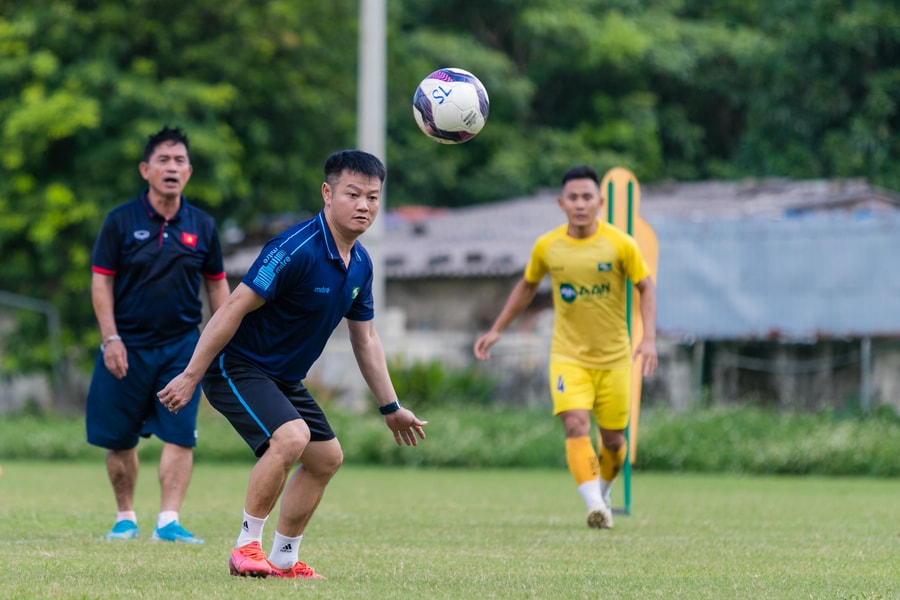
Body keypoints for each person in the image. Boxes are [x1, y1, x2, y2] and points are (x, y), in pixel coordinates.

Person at [157, 149, 428, 579]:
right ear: (327, 193)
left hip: (282, 377)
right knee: (292, 437)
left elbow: (367, 340)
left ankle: (284, 558)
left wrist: (391, 407)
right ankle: (246, 548)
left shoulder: (360, 264)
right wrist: (191, 374)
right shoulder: (293, 248)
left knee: (326, 458)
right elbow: (230, 309)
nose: (364, 206)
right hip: (236, 365)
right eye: (353, 194)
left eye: (373, 198)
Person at [473, 164, 658, 530]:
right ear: (561, 203)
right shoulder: (548, 246)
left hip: (616, 358)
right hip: (567, 356)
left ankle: (601, 495)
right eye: (572, 197)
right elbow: (527, 287)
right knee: (575, 424)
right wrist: (497, 329)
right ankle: (594, 505)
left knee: (614, 443)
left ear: (599, 202)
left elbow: (646, 287)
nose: (580, 203)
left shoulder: (621, 244)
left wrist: (648, 338)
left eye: (587, 197)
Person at [86, 126, 231, 544]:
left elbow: (217, 285)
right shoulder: (120, 221)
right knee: (119, 439)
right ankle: (125, 517)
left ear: (189, 171)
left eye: (180, 161)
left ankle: (168, 521)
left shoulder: (203, 225)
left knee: (179, 433)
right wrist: (110, 338)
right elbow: (101, 283)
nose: (172, 168)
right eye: (163, 161)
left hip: (184, 347)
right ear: (145, 170)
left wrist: (221, 341)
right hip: (125, 347)